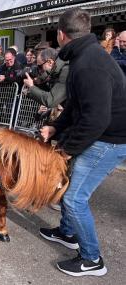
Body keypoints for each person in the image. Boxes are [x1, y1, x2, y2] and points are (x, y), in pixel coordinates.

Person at [39, 8, 126, 277]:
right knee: (69, 186)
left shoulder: (89, 63)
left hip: (109, 140)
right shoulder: (86, 56)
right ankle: (67, 232)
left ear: (61, 34)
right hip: (102, 134)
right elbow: (77, 107)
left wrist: (67, 148)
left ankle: (92, 260)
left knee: (75, 198)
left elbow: (95, 119)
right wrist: (56, 127)